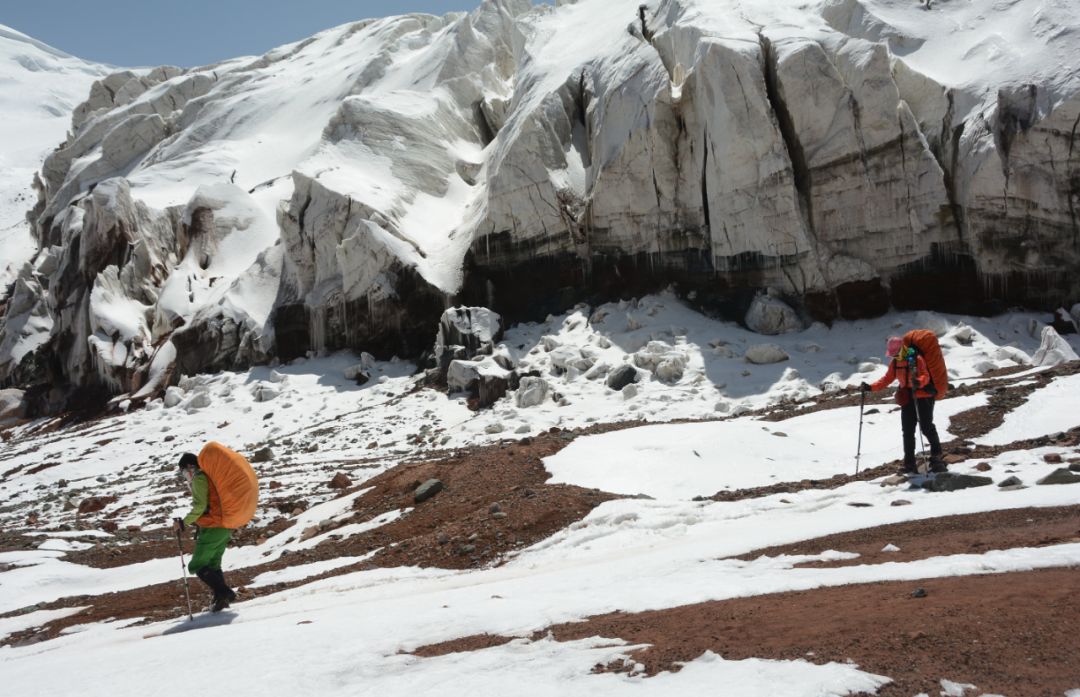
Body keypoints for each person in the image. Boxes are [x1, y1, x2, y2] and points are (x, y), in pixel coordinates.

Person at [861, 336, 944, 475]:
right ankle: (909, 463)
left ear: (902, 349)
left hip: (923, 397)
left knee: (926, 427)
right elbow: (886, 379)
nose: (894, 356)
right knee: (907, 431)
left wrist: (919, 382)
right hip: (908, 398)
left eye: (895, 353)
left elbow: (925, 376)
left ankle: (936, 455)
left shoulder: (917, 359)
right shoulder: (895, 363)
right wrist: (870, 387)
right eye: (893, 354)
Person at [175, 452, 238, 612]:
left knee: (198, 564)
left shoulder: (199, 479)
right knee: (213, 565)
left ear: (190, 467)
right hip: (224, 526)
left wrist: (183, 523)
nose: (184, 476)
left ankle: (226, 593)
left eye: (183, 471)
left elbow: (200, 506)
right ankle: (220, 601)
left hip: (212, 527)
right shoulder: (210, 477)